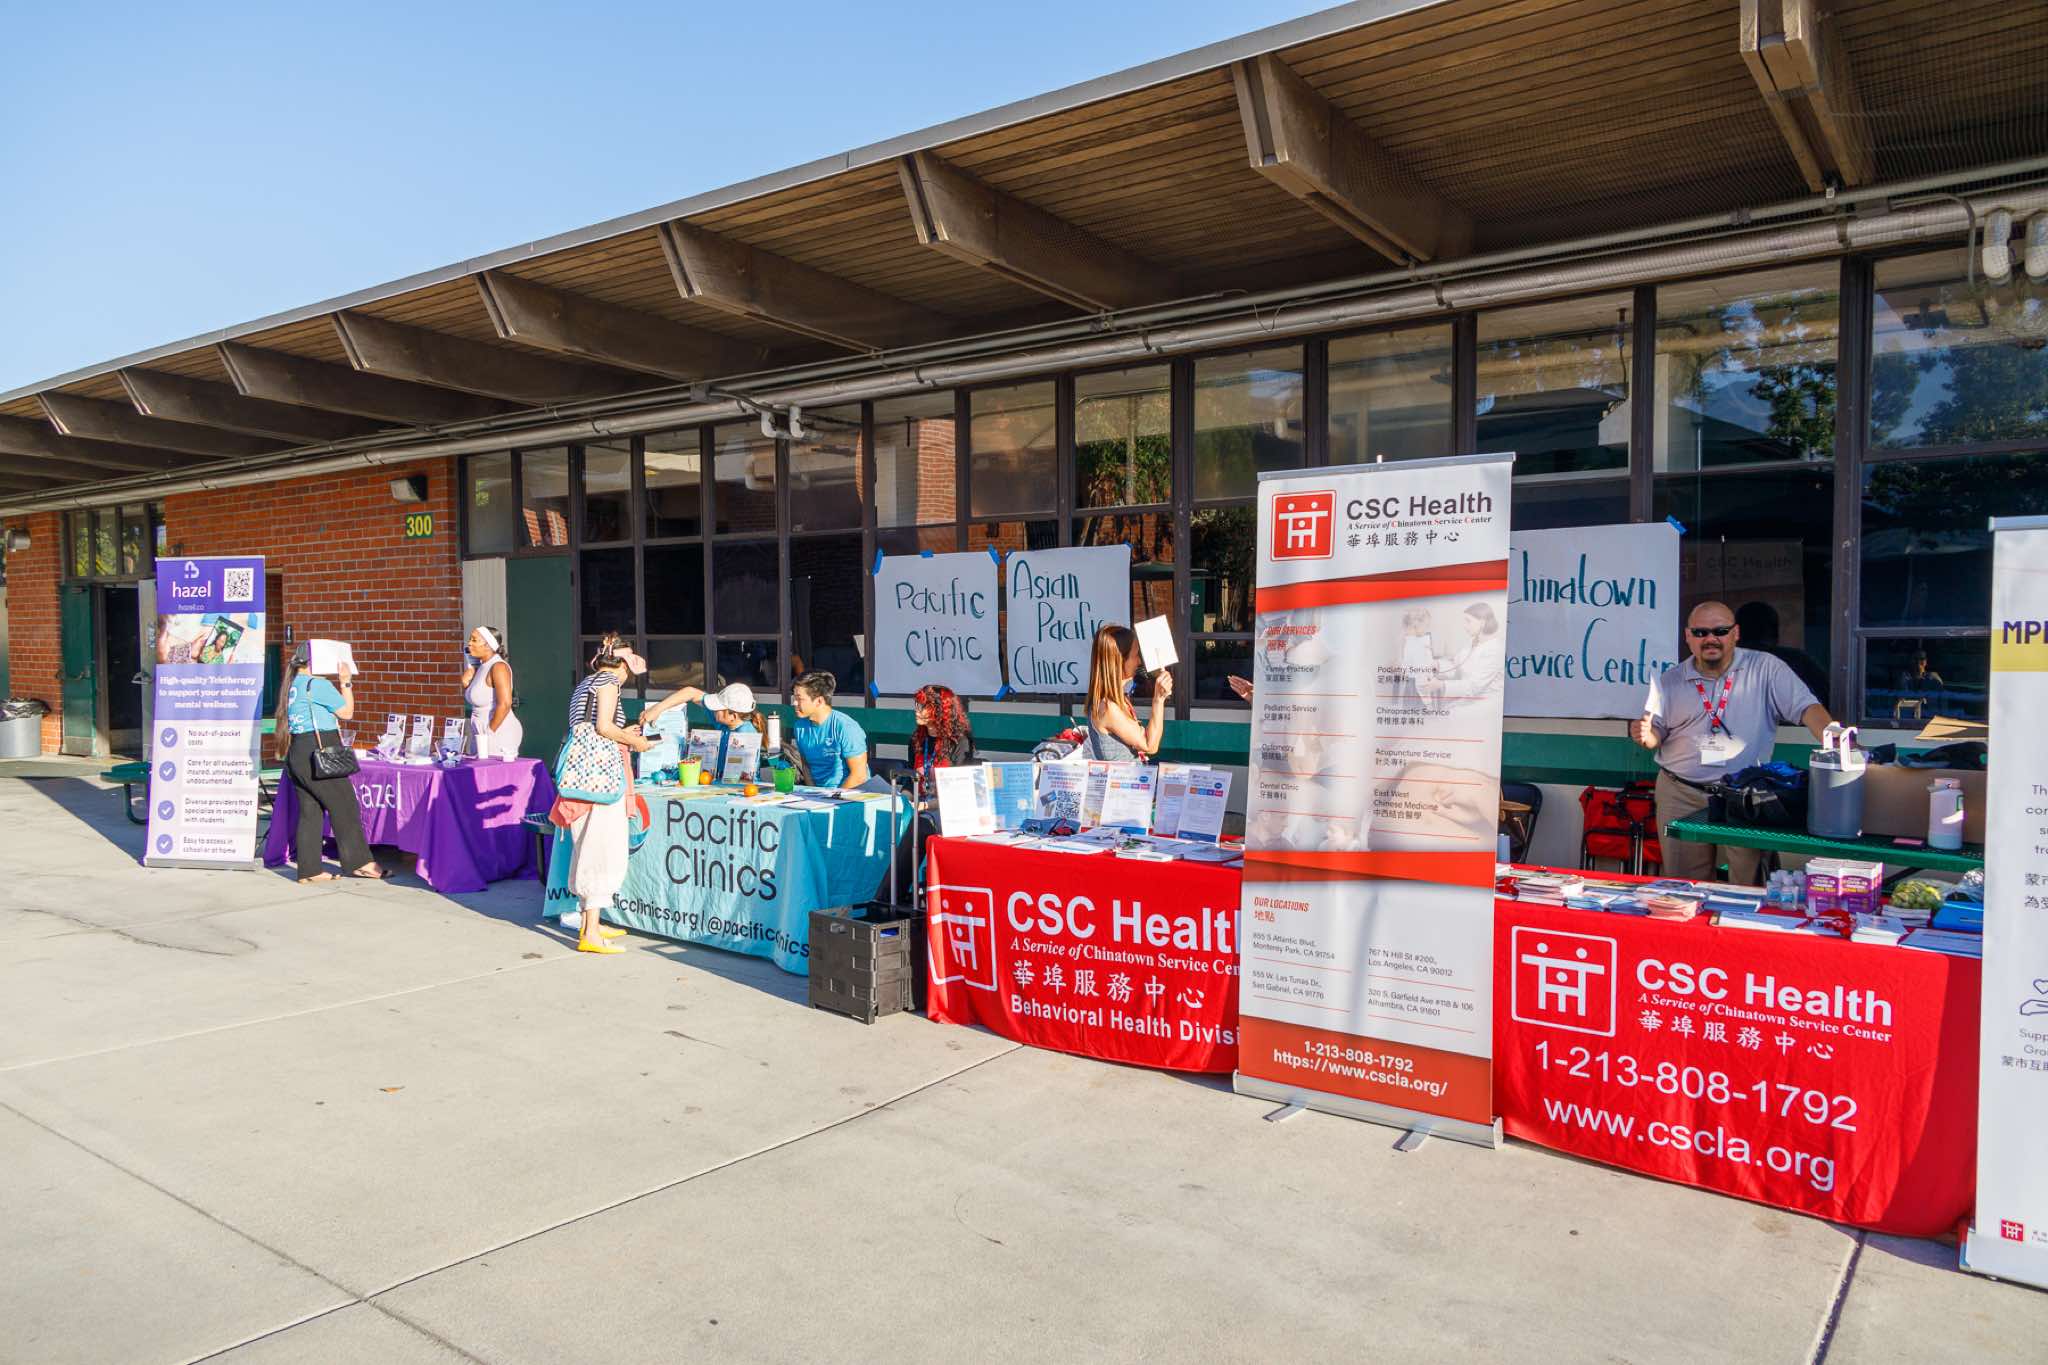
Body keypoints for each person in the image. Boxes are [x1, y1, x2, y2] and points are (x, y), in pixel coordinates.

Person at [1631, 599, 1834, 885]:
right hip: (1681, 793)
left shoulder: (1766, 668)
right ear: (1688, 636)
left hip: (1744, 795)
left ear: (1735, 633)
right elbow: (1656, 735)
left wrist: (1834, 738)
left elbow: (1806, 708)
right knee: (1685, 887)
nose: (1710, 639)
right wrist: (1645, 736)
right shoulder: (1670, 681)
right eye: (1700, 632)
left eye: (1720, 631)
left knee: (1748, 886)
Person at [561, 633, 655, 954]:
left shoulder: (586, 683)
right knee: (602, 847)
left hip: (582, 775)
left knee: (587, 844)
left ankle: (591, 922)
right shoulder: (609, 682)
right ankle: (590, 933)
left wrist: (621, 732)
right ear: (623, 666)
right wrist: (635, 741)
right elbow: (603, 726)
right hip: (601, 779)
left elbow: (590, 726)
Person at [273, 644, 383, 884]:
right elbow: (347, 713)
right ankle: (360, 863)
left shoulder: (292, 685)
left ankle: (309, 870)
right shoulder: (318, 685)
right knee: (345, 805)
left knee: (310, 812)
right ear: (314, 661)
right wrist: (346, 682)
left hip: (298, 752)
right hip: (320, 753)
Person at [1086, 623, 1171, 760]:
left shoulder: (1118, 700)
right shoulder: (1108, 708)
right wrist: (1158, 700)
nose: (1139, 661)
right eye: (1135, 655)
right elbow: (1150, 745)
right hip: (1123, 774)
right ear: (1119, 661)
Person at [645, 681, 767, 777]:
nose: (713, 709)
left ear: (733, 716)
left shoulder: (745, 734)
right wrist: (657, 709)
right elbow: (691, 692)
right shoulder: (725, 723)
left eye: (718, 707)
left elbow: (739, 777)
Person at [791, 671, 874, 790]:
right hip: (819, 795)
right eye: (794, 697)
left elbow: (859, 776)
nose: (794, 703)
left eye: (799, 699)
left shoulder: (845, 727)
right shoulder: (800, 727)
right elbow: (806, 766)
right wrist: (813, 792)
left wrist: (834, 797)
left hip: (852, 794)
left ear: (819, 701)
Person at [459, 626, 523, 759]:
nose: (469, 643)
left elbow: (505, 704)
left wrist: (489, 732)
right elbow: (480, 696)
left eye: (474, 640)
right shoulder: (481, 667)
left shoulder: (498, 666)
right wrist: (467, 682)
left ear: (488, 645)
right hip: (480, 733)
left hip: (497, 732)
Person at [910, 684, 975, 800]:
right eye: (917, 704)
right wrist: (902, 799)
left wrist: (925, 806)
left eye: (923, 706)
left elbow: (959, 790)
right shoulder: (917, 739)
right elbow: (911, 781)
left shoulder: (959, 742)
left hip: (946, 806)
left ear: (940, 710)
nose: (917, 710)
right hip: (918, 803)